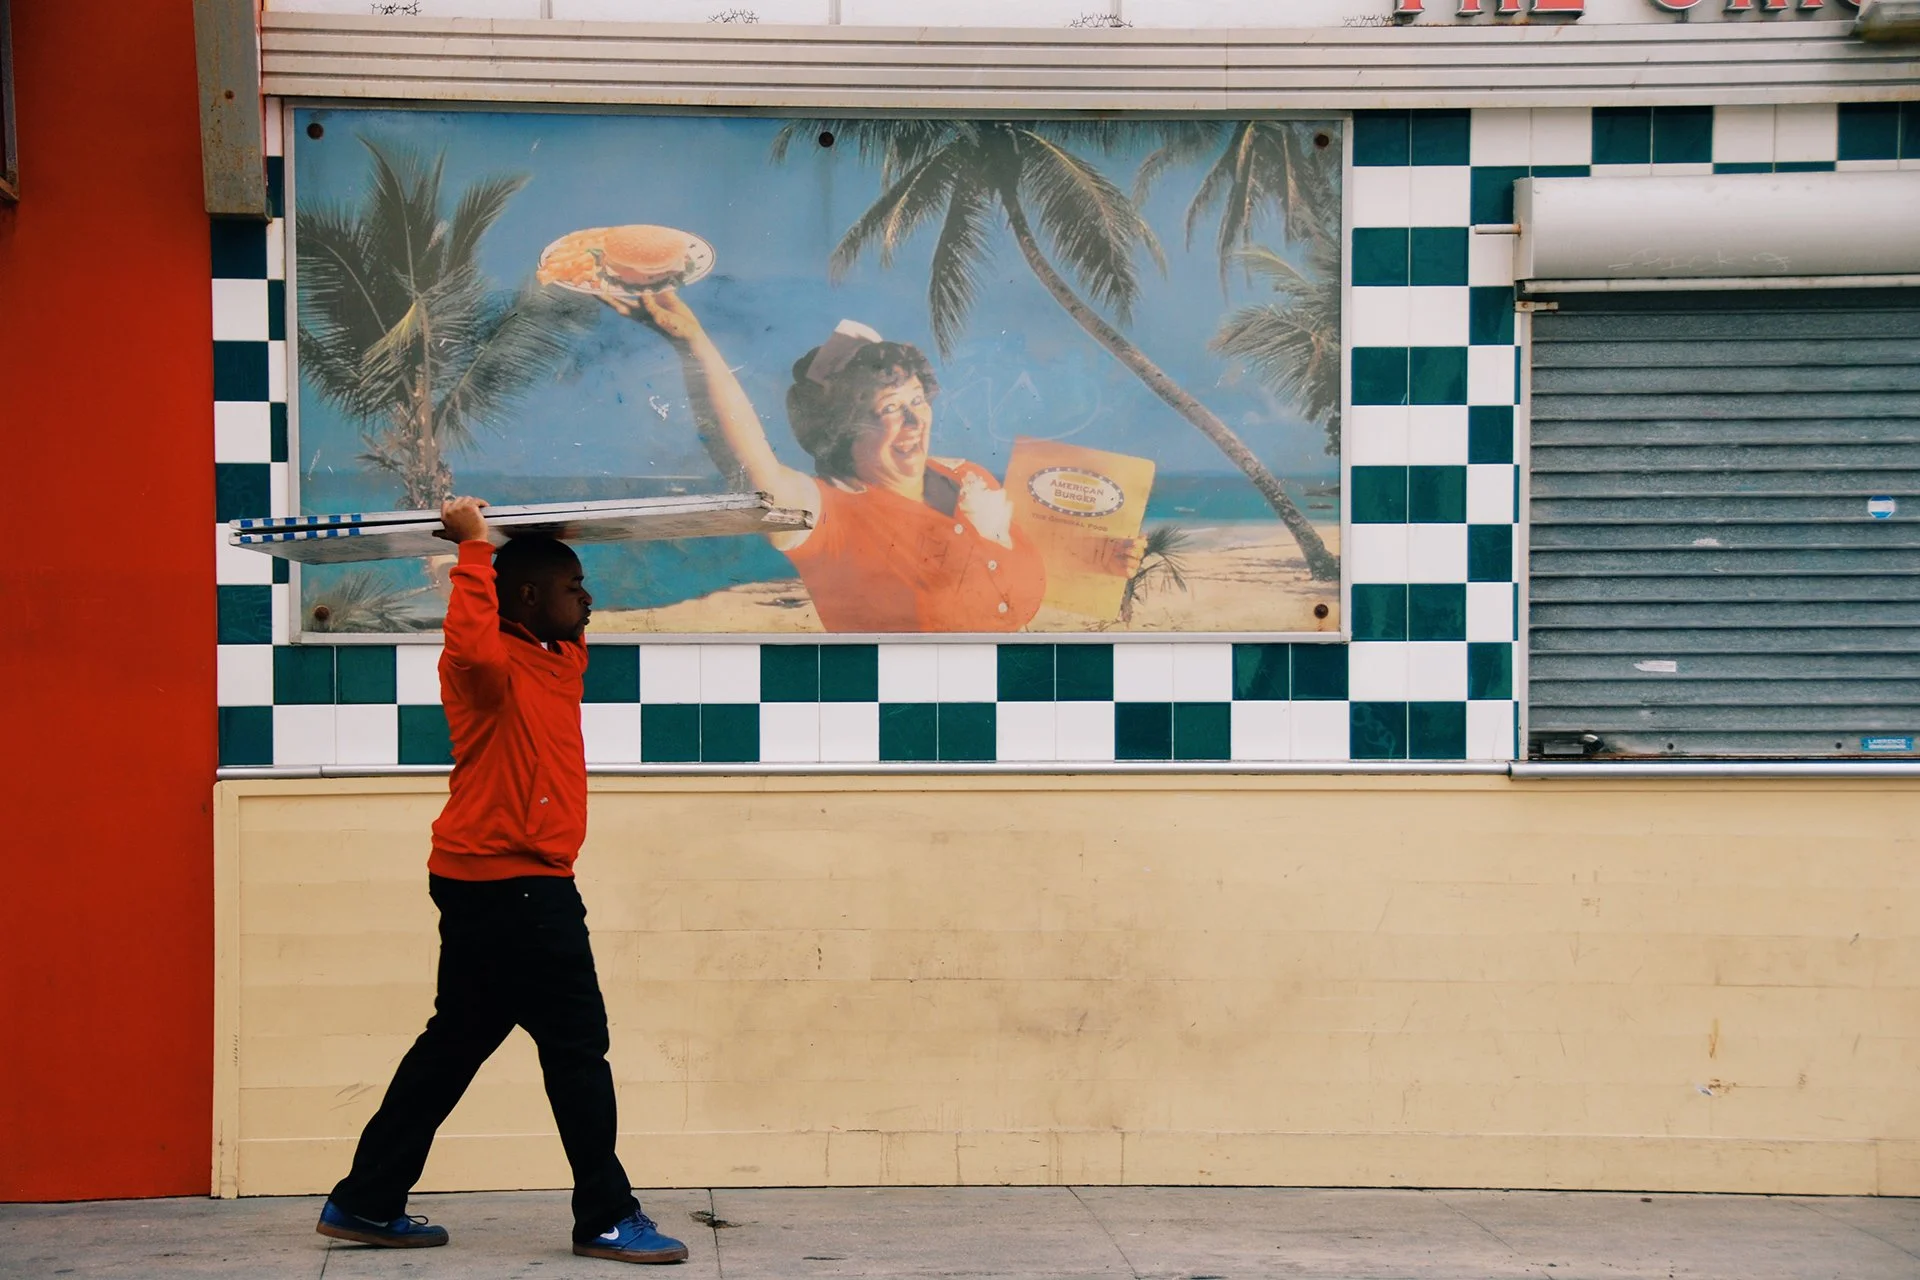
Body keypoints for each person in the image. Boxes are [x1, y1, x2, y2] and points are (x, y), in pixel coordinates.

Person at [315, 496, 687, 1267]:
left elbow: (554, 616)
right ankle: (607, 1218)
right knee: (579, 1048)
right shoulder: (482, 672)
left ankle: (365, 1200)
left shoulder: (560, 658)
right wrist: (476, 549)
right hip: (517, 889)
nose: (588, 599)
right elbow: (473, 644)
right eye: (572, 585)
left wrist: (551, 546)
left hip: (487, 884)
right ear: (523, 597)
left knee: (454, 1043)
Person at [613, 290, 1134, 632]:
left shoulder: (967, 475)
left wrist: (1102, 559)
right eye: (890, 409)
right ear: (842, 429)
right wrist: (694, 345)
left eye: (917, 400)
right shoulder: (826, 515)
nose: (915, 421)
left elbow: (1018, 559)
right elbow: (752, 469)